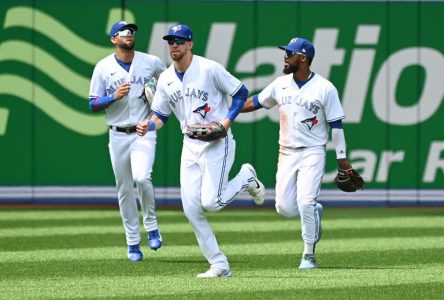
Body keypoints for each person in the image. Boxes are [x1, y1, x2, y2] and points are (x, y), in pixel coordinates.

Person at [136, 24, 266, 277]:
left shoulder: (209, 68)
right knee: (192, 209)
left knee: (212, 202)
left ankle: (246, 178)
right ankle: (219, 264)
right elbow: (161, 115)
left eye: (179, 40)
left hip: (218, 141)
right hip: (190, 144)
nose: (174, 45)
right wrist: (148, 124)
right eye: (170, 41)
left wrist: (227, 121)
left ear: (190, 44)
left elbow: (240, 92)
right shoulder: (166, 79)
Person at [242, 37, 356, 269]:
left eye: (289, 54)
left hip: (313, 152)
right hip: (286, 152)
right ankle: (315, 212)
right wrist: (229, 110)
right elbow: (255, 102)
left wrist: (342, 159)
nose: (285, 57)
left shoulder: (325, 88)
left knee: (304, 201)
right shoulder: (280, 83)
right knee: (284, 208)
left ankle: (308, 254)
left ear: (303, 58)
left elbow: (336, 125)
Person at [88, 21, 166, 262]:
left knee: (142, 177)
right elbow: (92, 103)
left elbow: (168, 83)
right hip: (117, 133)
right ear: (114, 39)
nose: (129, 35)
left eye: (131, 32)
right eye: (123, 32)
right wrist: (113, 96)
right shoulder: (103, 67)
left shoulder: (150, 62)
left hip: (143, 129)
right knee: (124, 189)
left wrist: (156, 96)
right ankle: (133, 242)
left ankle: (151, 225)